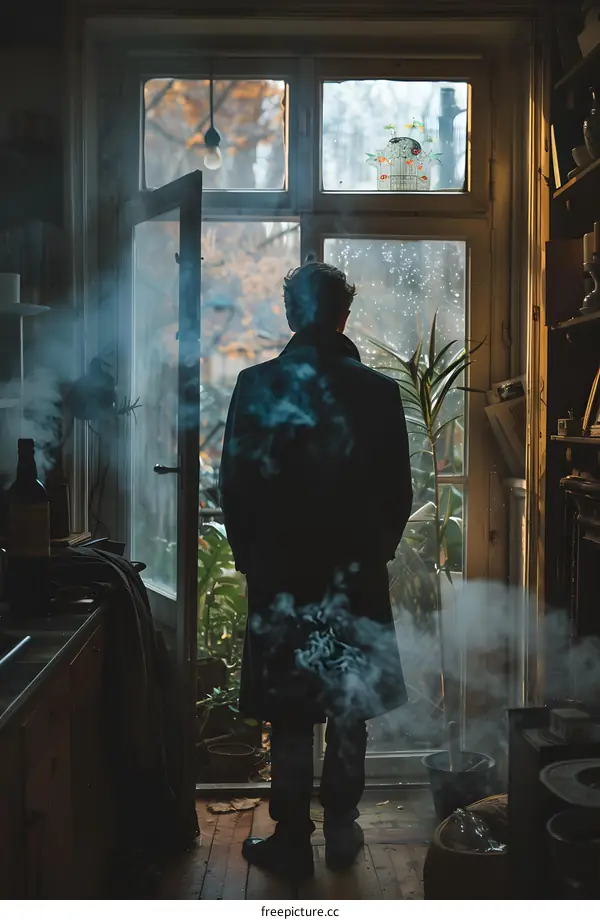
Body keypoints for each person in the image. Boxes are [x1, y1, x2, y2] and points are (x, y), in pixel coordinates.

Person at [219, 259, 413, 879]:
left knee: (293, 710)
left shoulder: (256, 384)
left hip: (281, 576)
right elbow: (398, 493)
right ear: (342, 315)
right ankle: (344, 828)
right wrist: (373, 555)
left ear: (292, 315)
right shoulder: (379, 393)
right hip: (354, 576)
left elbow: (237, 485)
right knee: (349, 704)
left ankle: (294, 838)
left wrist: (253, 561)